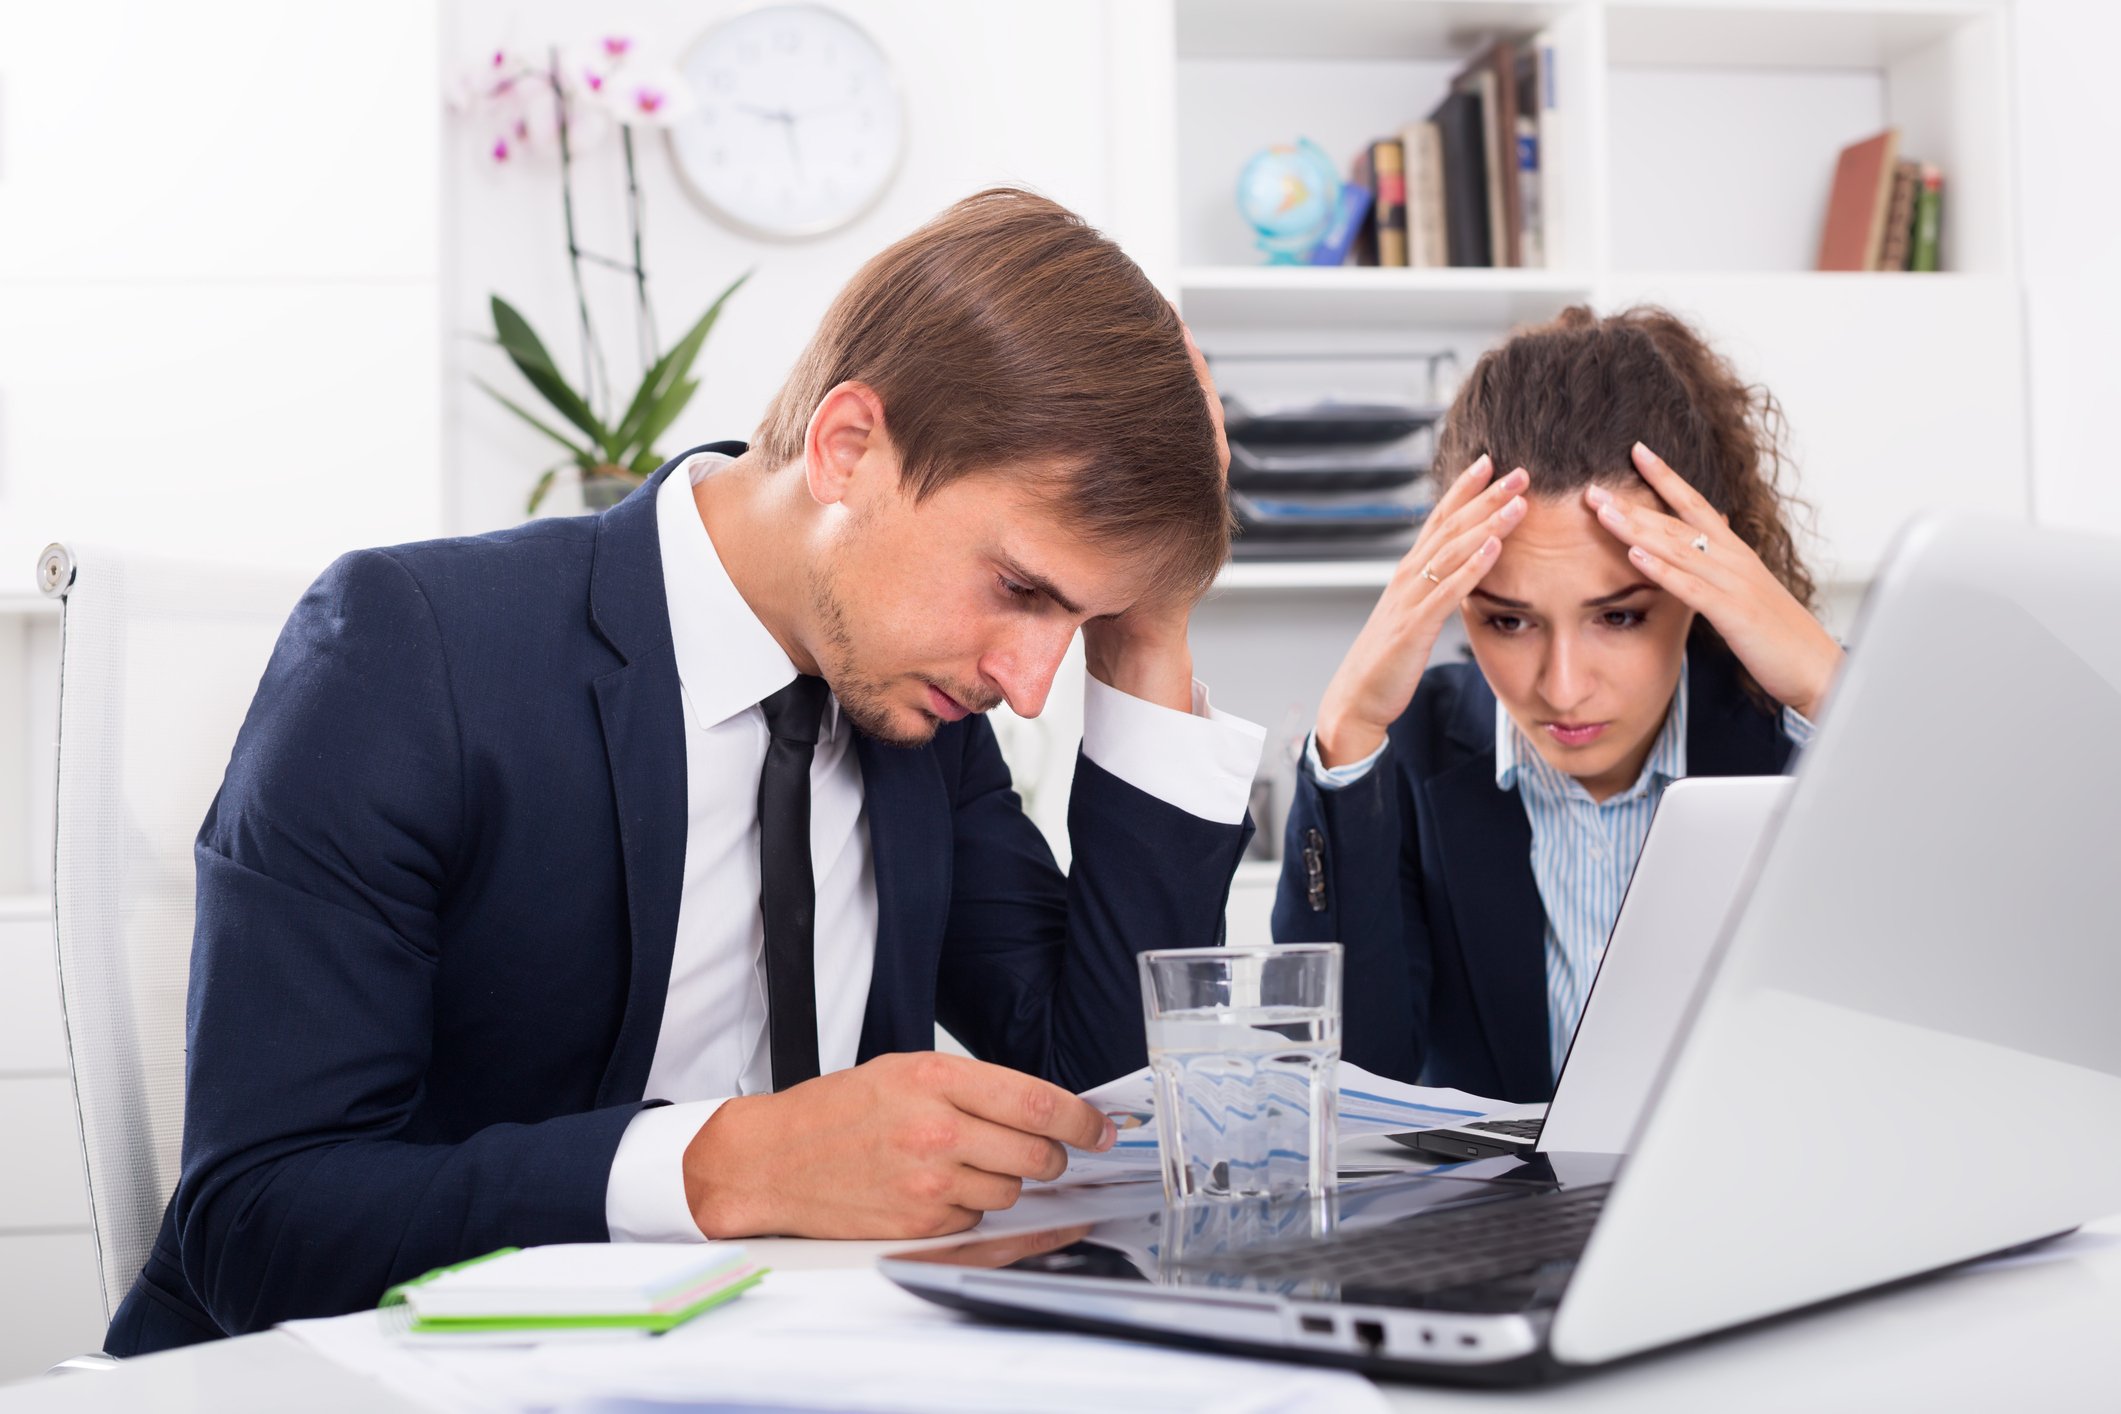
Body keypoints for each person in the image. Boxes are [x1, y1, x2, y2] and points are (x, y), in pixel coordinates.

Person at [107, 189, 1266, 1355]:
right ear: (847, 447)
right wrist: (727, 1164)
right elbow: (256, 1221)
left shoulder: (923, 706)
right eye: (1020, 588)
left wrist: (1146, 629)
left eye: (1076, 617)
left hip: (787, 1366)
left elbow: (1098, 1093)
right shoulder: (416, 649)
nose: (1027, 682)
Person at [1274, 305, 1841, 1103]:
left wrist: (1831, 690)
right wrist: (1347, 730)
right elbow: (1341, 1086)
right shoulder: (1403, 758)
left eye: (1618, 615)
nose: (1563, 686)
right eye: (1507, 620)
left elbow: (1939, 1001)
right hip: (1503, 1228)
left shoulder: (1797, 738)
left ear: (1702, 581)